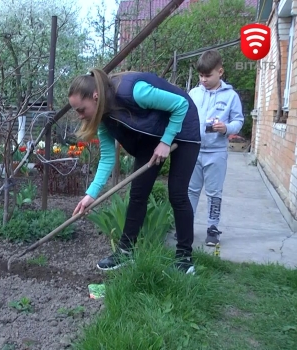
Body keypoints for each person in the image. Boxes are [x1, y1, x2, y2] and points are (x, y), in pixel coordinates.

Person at [69, 68, 200, 274]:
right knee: (138, 193)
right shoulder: (103, 118)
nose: (79, 116)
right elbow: (107, 158)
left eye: (80, 109)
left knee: (178, 193)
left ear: (95, 96)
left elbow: (180, 104)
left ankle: (184, 259)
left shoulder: (134, 91)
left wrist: (166, 141)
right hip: (154, 132)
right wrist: (90, 195)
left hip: (184, 125)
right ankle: (125, 252)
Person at [187, 50, 245, 246]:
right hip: (193, 151)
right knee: (191, 191)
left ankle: (212, 228)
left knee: (214, 193)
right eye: (201, 76)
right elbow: (185, 117)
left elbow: (239, 120)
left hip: (216, 153)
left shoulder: (231, 96)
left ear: (220, 72)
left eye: (208, 75)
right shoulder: (193, 94)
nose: (203, 80)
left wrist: (226, 128)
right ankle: (186, 225)